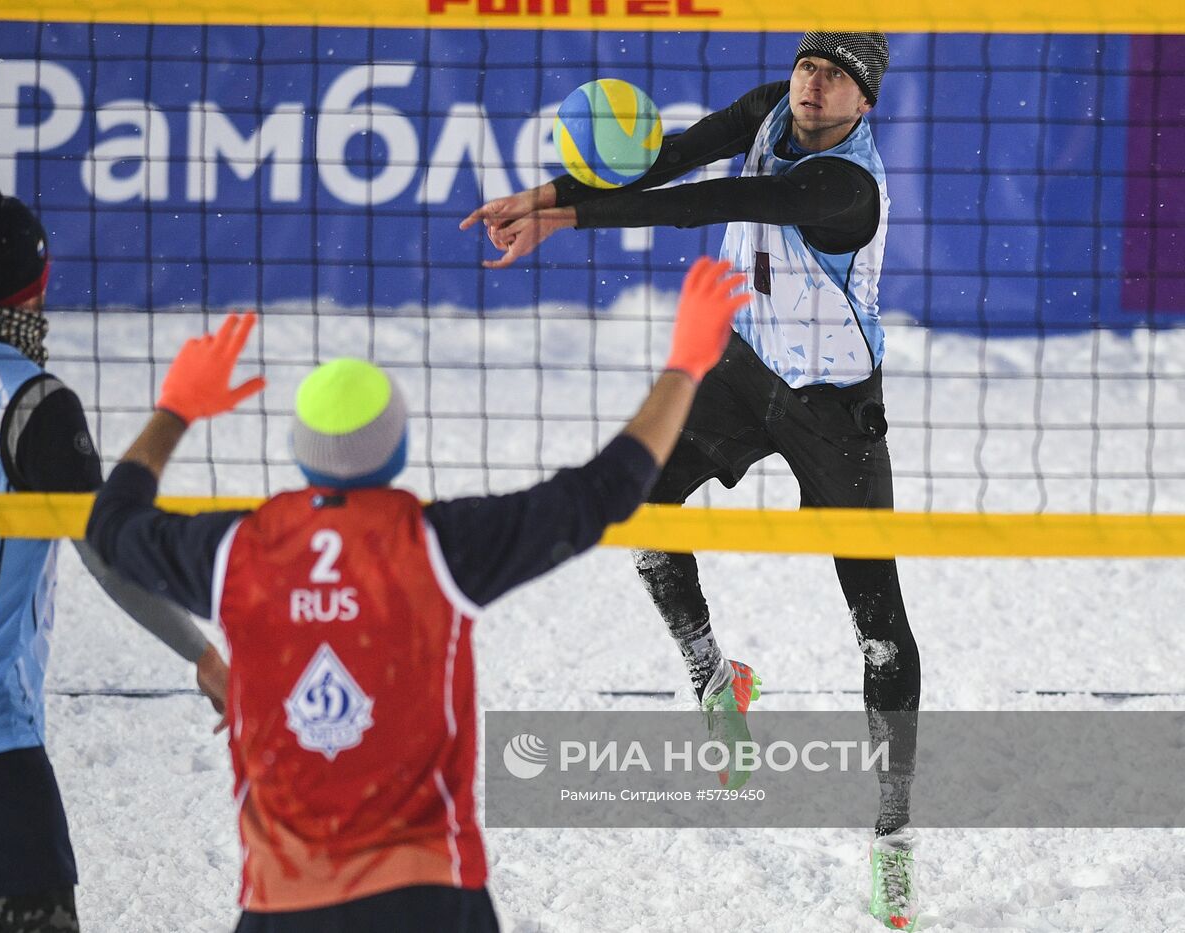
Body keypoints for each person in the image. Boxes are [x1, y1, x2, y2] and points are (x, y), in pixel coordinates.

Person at [84, 259, 749, 932]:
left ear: (299, 450)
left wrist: (176, 409)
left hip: (283, 905)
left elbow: (109, 527)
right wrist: (686, 365)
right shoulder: (436, 547)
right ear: (398, 447)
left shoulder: (235, 553)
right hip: (426, 899)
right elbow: (604, 490)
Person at [461, 31, 920, 930]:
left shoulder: (846, 187)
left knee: (881, 630)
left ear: (865, 103)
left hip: (835, 411)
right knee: (640, 506)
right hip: (745, 372)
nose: (812, 83)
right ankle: (717, 680)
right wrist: (547, 195)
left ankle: (893, 837)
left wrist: (569, 219)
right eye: (807, 65)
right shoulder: (769, 111)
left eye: (835, 77)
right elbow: (665, 160)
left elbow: (713, 200)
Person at [0, 179, 230, 933]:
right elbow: (113, 559)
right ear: (39, 285)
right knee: (39, 908)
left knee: (9, 902)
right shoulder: (36, 400)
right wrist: (203, 655)